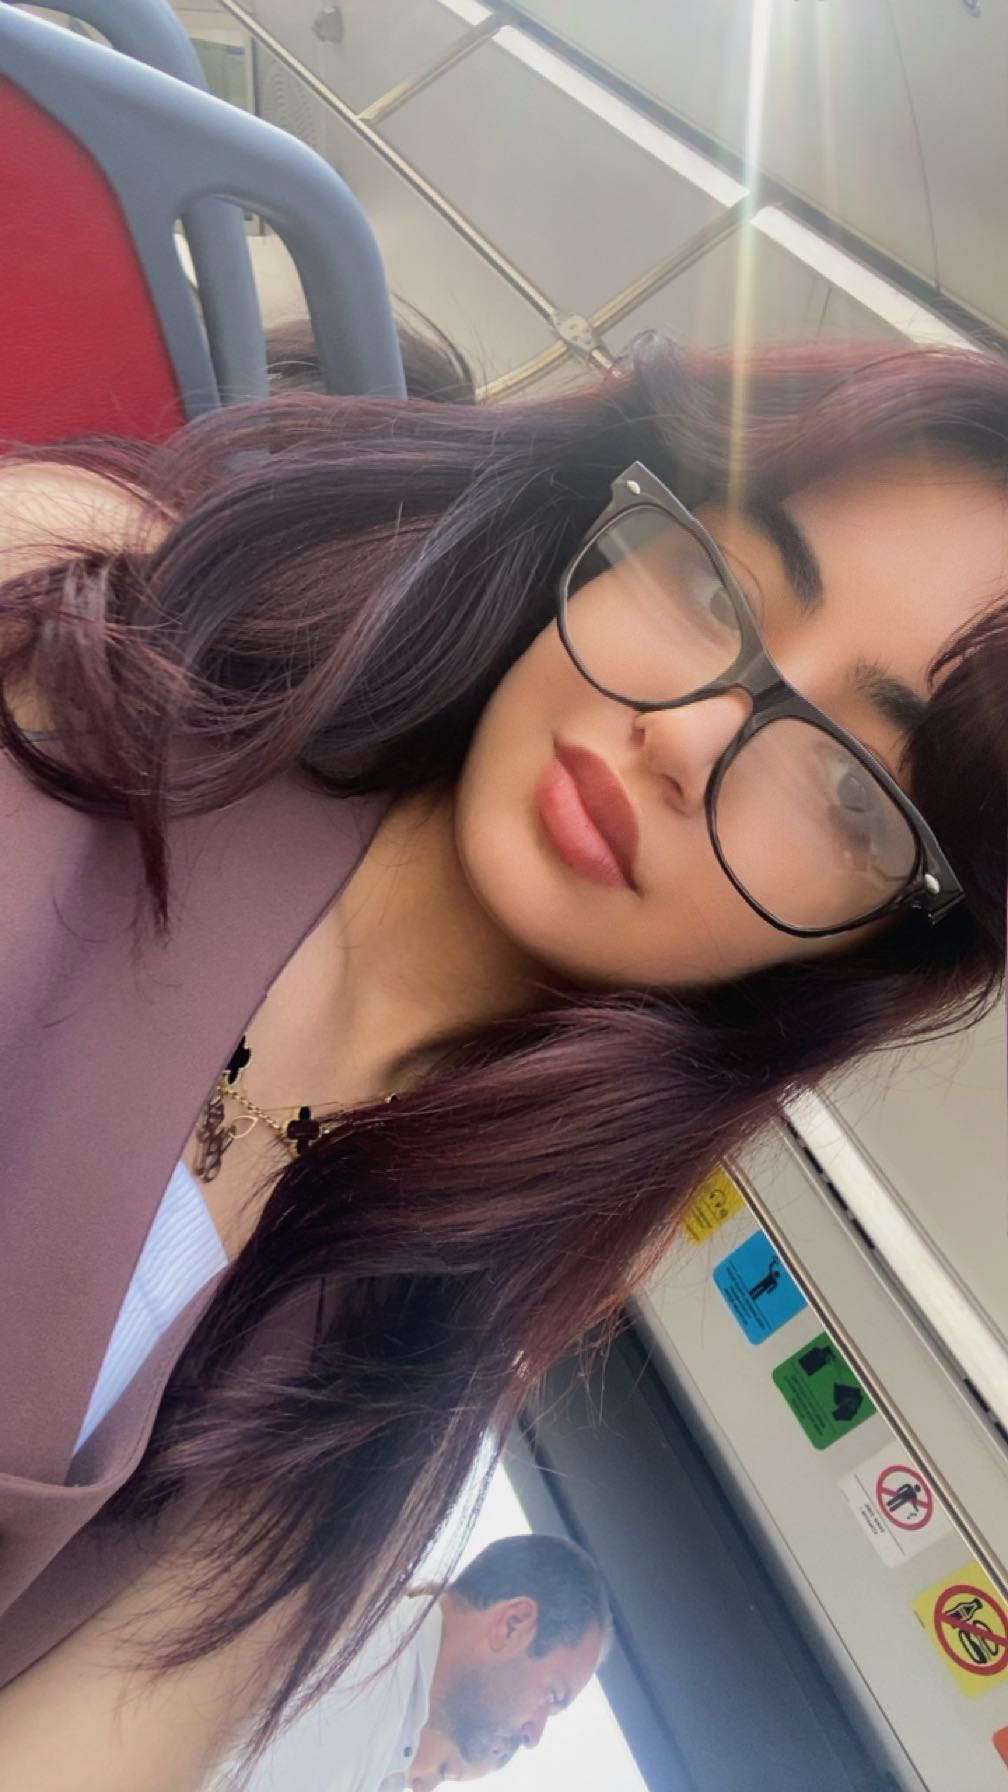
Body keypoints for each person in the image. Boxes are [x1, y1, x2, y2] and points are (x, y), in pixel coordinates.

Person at [0, 328, 1005, 1791]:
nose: (689, 737)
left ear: (869, 946)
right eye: (720, 584)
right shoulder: (88, 609)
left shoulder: (421, 1358)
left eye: (849, 787)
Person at [229, 1534, 608, 1792]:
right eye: (551, 1696)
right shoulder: (359, 1682)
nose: (533, 1735)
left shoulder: (390, 1721)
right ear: (512, 1626)